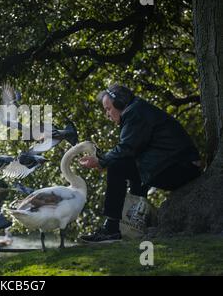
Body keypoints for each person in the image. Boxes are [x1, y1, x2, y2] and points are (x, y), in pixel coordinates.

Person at [78, 84, 201, 243]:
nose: (107, 114)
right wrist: (104, 160)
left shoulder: (135, 113)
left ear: (120, 103)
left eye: (108, 108)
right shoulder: (137, 109)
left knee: (118, 166)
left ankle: (112, 228)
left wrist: (101, 161)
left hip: (182, 168)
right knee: (128, 164)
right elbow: (132, 149)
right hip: (180, 166)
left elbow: (127, 148)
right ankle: (132, 224)